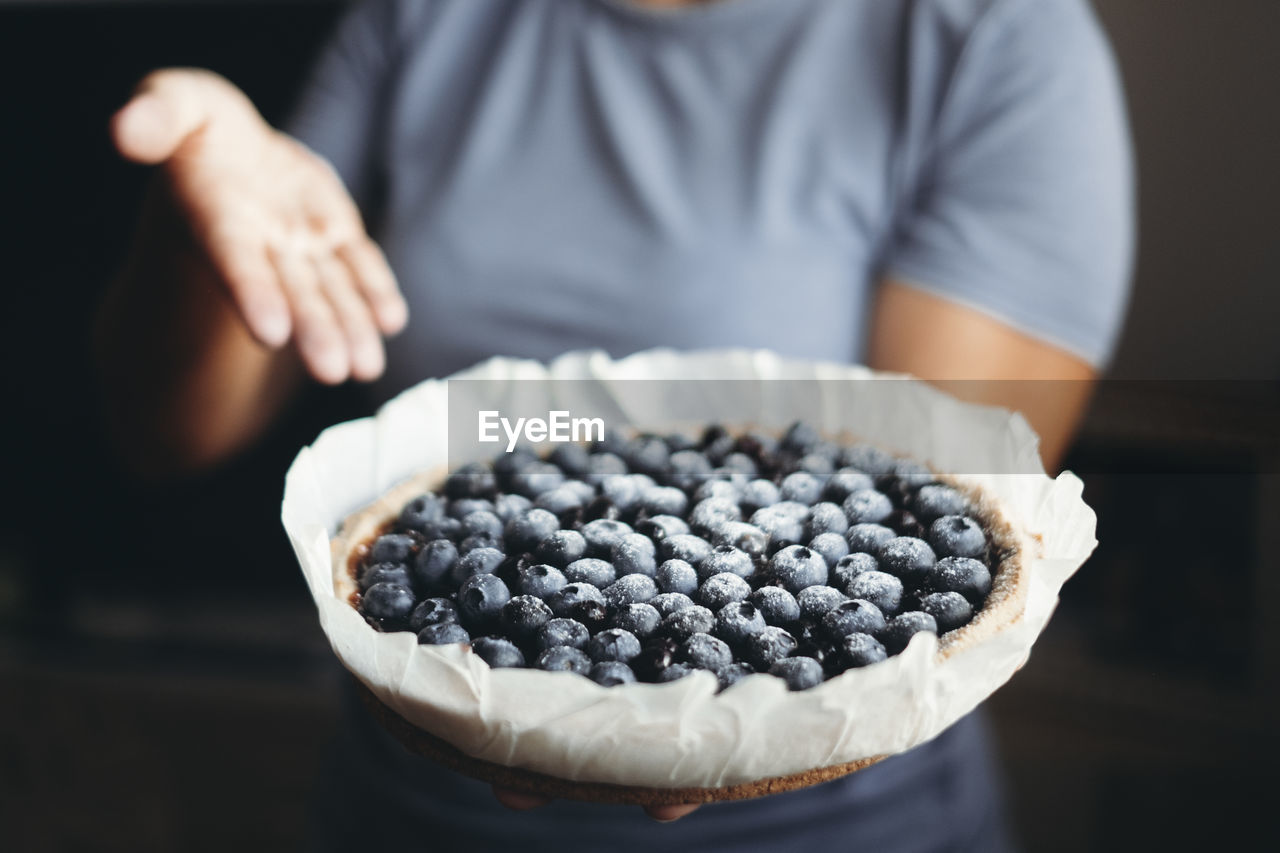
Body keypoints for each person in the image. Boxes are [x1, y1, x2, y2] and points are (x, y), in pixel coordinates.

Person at [96, 0, 1133, 848]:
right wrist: (197, 217)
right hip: (412, 810)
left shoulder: (991, 34)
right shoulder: (428, 16)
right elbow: (167, 431)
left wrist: (708, 713)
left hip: (834, 828)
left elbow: (928, 514)